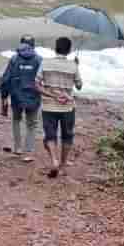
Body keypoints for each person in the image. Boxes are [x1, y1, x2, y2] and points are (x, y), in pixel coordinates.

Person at [38, 36, 82, 178]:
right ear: (69, 50)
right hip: (67, 107)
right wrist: (76, 66)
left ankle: (54, 160)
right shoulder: (73, 66)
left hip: (48, 106)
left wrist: (51, 96)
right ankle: (62, 165)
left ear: (55, 48)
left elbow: (37, 85)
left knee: (50, 135)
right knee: (67, 136)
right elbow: (79, 86)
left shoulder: (45, 63)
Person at [0, 35, 43, 162]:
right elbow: (44, 79)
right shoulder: (39, 60)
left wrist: (4, 97)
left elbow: (6, 79)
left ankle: (17, 148)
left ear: (21, 44)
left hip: (16, 96)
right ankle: (28, 152)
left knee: (16, 120)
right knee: (32, 125)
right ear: (34, 46)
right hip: (33, 97)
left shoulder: (14, 59)